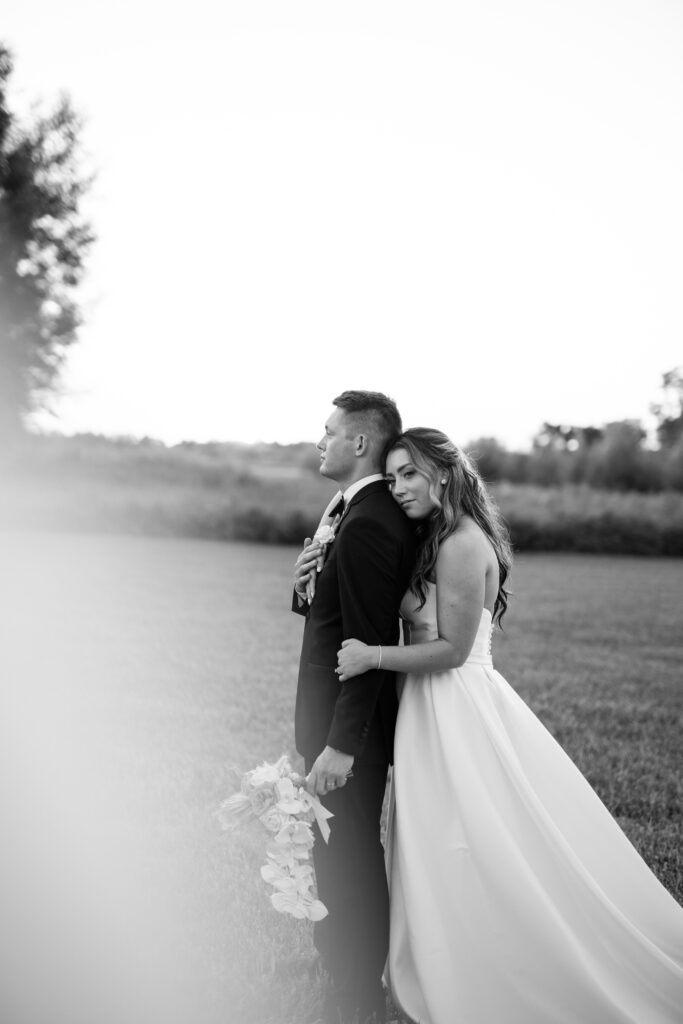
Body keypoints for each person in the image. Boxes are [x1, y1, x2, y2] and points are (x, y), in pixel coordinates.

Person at [336, 427, 683, 1024]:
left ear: (443, 473)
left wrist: (373, 655)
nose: (398, 488)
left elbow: (450, 648)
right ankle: (450, 957)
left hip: (456, 705)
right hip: (426, 709)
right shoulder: (434, 538)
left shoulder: (462, 543)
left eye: (409, 474)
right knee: (436, 840)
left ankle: (496, 968)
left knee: (477, 841)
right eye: (391, 478)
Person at [292, 391, 417, 1024]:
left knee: (349, 852)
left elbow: (368, 638)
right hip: (333, 716)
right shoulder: (351, 511)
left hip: (347, 728)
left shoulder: (368, 521)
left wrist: (343, 744)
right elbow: (334, 613)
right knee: (336, 846)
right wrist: (303, 581)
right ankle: (343, 963)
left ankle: (358, 987)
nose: (320, 440)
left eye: (329, 430)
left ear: (360, 443)